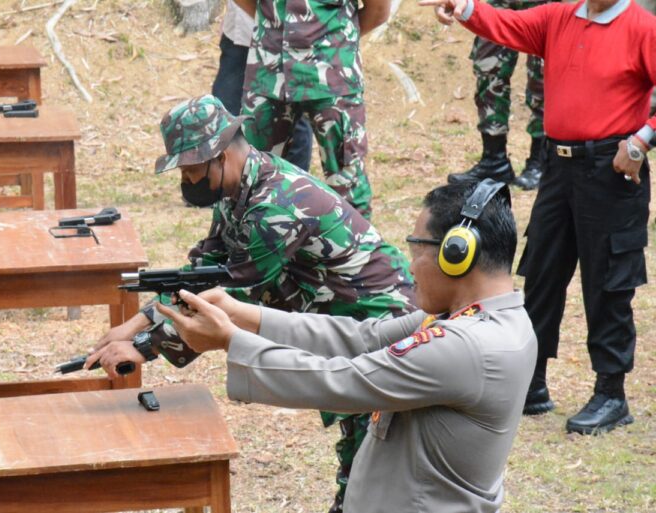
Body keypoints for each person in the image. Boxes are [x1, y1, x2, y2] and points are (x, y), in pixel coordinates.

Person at [87, 94, 416, 512]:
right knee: (359, 439)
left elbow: (230, 298)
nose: (186, 182)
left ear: (220, 156)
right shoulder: (236, 191)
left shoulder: (274, 205)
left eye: (190, 170)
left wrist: (143, 347)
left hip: (375, 318)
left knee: (370, 440)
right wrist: (133, 324)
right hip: (333, 315)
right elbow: (205, 271)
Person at [128, 179, 536, 513]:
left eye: (417, 250)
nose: (410, 266)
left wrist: (229, 341)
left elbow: (341, 381)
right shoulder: (482, 320)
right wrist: (243, 313)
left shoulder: (467, 346)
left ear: (457, 254)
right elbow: (363, 339)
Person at [420, 0, 656, 434]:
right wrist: (463, 6)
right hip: (558, 167)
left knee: (608, 280)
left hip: (610, 170)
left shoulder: (642, 28)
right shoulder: (559, 17)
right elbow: (506, 24)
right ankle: (532, 382)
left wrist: (641, 140)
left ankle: (611, 392)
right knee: (542, 272)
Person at [233, 0, 393, 219]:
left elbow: (379, 10)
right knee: (252, 180)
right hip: (268, 75)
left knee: (347, 184)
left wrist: (335, 42)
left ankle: (355, 252)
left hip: (332, 76)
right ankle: (256, 249)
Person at [447, 0, 549, 190]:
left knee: (544, 80)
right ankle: (494, 160)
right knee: (488, 71)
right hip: (499, 4)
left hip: (546, 5)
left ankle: (540, 161)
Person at [212, 0, 314, 171]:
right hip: (241, 38)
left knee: (294, 122)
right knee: (224, 116)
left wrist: (273, 23)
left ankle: (294, 191)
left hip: (288, 43)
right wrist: (267, 21)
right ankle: (227, 189)